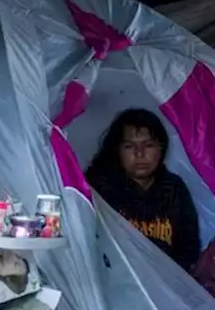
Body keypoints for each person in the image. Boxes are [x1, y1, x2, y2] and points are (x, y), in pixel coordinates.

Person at [86, 109, 200, 272]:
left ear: (161, 148)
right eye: (129, 146)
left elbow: (189, 248)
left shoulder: (174, 189)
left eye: (148, 145)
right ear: (117, 151)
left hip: (167, 285)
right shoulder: (99, 189)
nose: (139, 154)